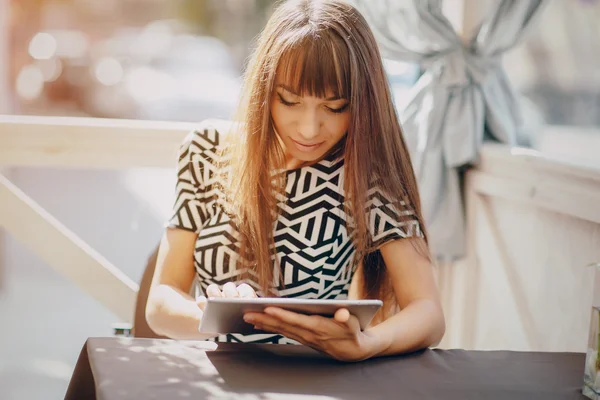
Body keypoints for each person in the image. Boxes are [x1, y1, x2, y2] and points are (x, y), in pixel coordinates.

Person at [146, 0, 445, 362]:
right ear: (264, 89)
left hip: (311, 379)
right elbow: (161, 301)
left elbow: (427, 311)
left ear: (362, 102)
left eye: (334, 107)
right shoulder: (206, 149)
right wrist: (220, 315)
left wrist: (368, 344)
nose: (309, 129)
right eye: (289, 101)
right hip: (213, 377)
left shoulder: (366, 172)